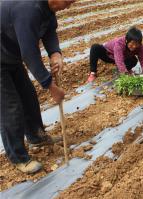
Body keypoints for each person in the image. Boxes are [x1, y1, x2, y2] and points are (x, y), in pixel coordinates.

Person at [0, 0, 75, 174]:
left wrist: (55, 53)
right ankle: (18, 157)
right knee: (11, 108)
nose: (67, 6)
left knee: (28, 97)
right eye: (67, 1)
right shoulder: (28, 9)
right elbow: (29, 53)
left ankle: (36, 137)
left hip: (10, 55)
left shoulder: (47, 8)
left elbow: (49, 31)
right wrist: (51, 87)